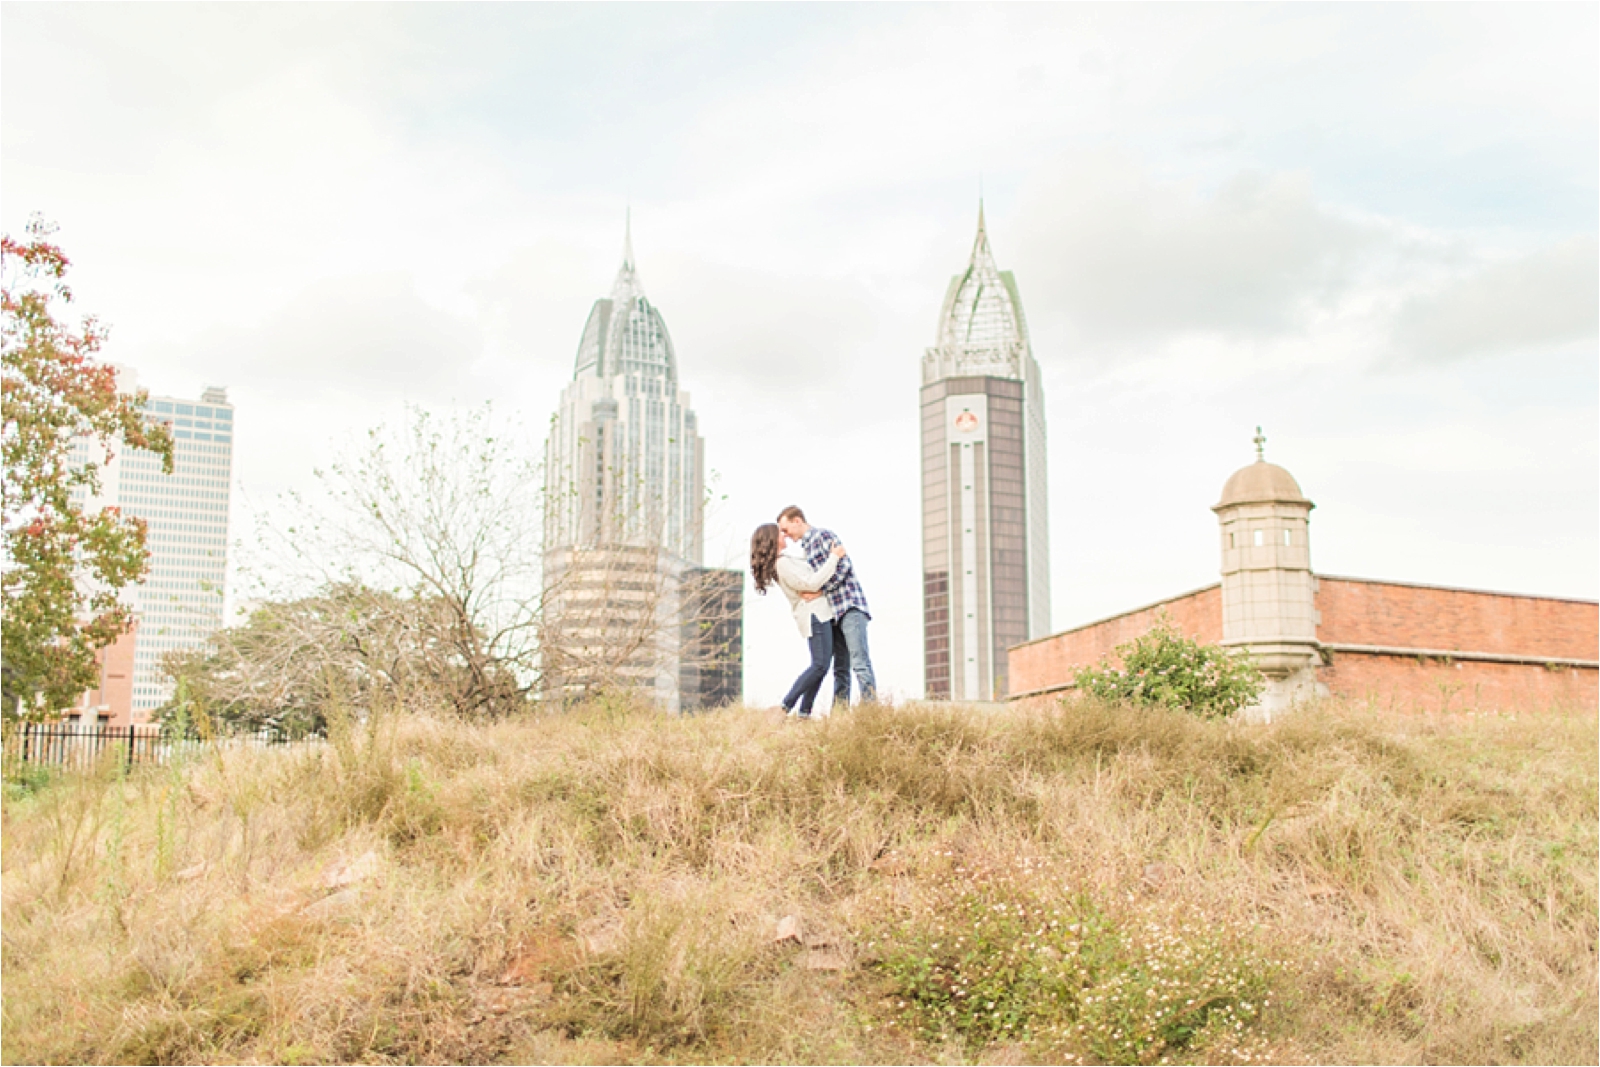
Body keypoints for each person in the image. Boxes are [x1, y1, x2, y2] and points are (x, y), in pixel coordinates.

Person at [775, 505, 876, 706]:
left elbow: (844, 566)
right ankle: (839, 713)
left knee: (859, 663)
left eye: (786, 529)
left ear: (797, 521)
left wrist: (822, 591)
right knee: (840, 667)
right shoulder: (806, 549)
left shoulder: (823, 536)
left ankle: (870, 710)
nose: (785, 535)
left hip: (849, 606)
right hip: (833, 612)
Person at [750, 523, 848, 719]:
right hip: (814, 615)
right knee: (819, 665)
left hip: (819, 613)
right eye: (781, 533)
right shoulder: (782, 564)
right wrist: (834, 558)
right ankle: (785, 707)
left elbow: (808, 571)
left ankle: (804, 714)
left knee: (821, 665)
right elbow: (810, 583)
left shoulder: (786, 560)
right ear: (772, 539)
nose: (785, 535)